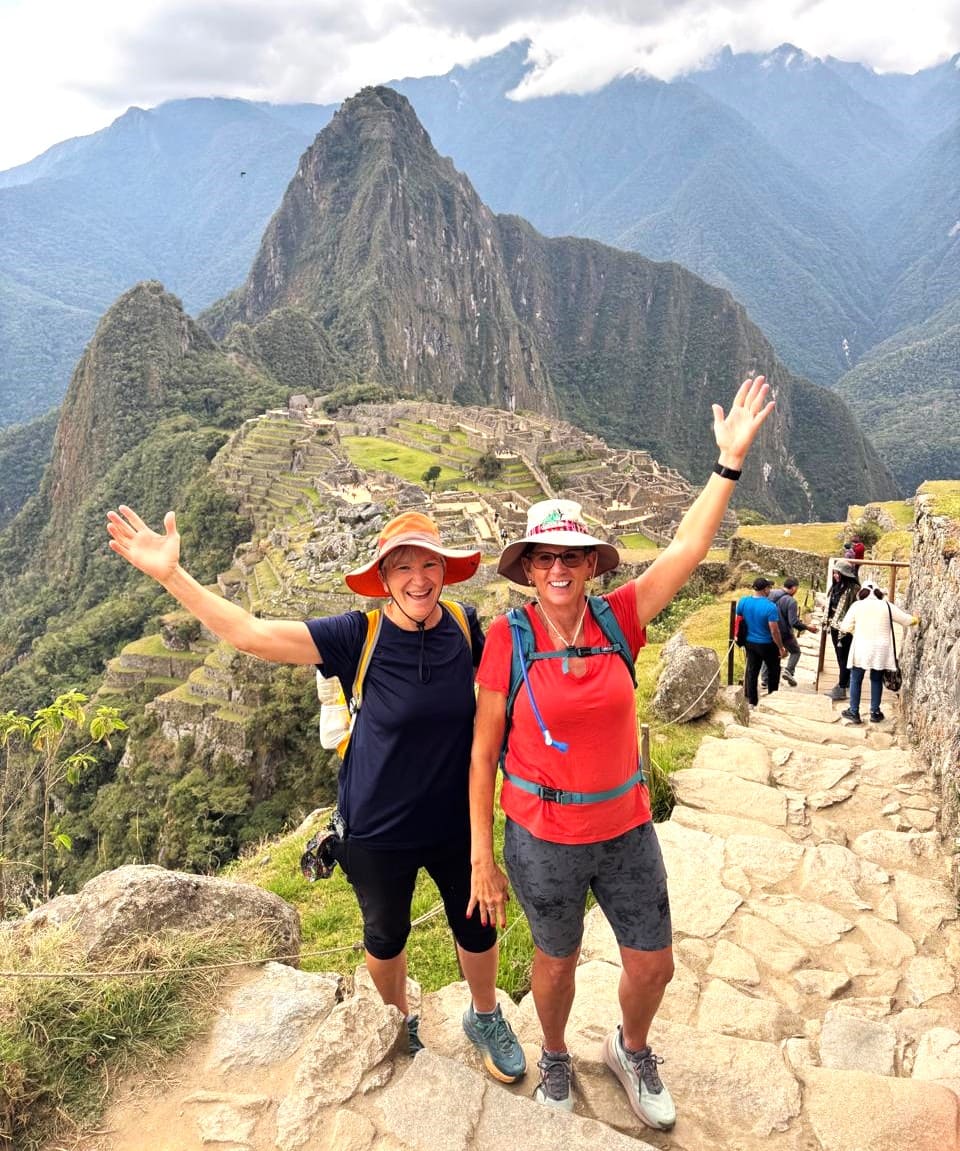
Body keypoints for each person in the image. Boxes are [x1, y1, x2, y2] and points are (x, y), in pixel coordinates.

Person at [106, 506, 525, 1081]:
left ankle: (484, 1015)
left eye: (430, 563)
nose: (419, 578)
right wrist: (172, 575)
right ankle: (397, 1022)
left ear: (447, 571)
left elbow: (502, 706)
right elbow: (252, 635)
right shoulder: (358, 635)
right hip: (377, 829)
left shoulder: (465, 626)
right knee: (385, 936)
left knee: (476, 924)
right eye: (403, 567)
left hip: (454, 820)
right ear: (383, 578)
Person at [468, 376, 774, 1127]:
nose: (558, 568)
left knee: (653, 962)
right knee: (556, 961)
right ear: (529, 569)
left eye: (571, 555)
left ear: (593, 563)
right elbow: (482, 756)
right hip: (542, 838)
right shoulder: (508, 640)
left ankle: (630, 1046)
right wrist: (484, 853)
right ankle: (556, 1052)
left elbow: (687, 546)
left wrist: (727, 463)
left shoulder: (621, 618)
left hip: (626, 827)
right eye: (543, 558)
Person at [839, 581, 919, 724]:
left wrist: (856, 630)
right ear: (878, 593)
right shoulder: (886, 605)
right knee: (876, 679)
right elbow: (906, 620)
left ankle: (854, 711)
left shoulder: (857, 606)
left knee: (856, 679)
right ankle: (875, 712)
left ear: (862, 592)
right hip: (881, 649)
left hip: (862, 647)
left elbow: (844, 627)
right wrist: (916, 619)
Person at [737, 577, 787, 705]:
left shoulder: (743, 602)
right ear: (765, 589)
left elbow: (738, 621)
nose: (770, 590)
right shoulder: (770, 607)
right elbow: (774, 630)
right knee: (773, 671)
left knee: (752, 671)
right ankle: (772, 699)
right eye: (769, 587)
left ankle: (752, 701)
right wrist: (781, 647)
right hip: (767, 644)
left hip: (749, 642)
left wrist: (738, 638)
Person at [767, 576, 818, 687]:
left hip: (770, 630)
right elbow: (793, 622)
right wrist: (808, 627)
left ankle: (765, 679)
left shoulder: (771, 594)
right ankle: (788, 671)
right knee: (795, 652)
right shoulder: (791, 601)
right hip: (784, 633)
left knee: (771, 653)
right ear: (794, 588)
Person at [825, 559, 861, 700]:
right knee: (840, 656)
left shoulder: (853, 590)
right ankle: (844, 682)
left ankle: (841, 687)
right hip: (835, 625)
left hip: (846, 629)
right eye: (834, 572)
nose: (835, 575)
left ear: (844, 574)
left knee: (843, 657)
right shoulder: (837, 586)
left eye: (837, 573)